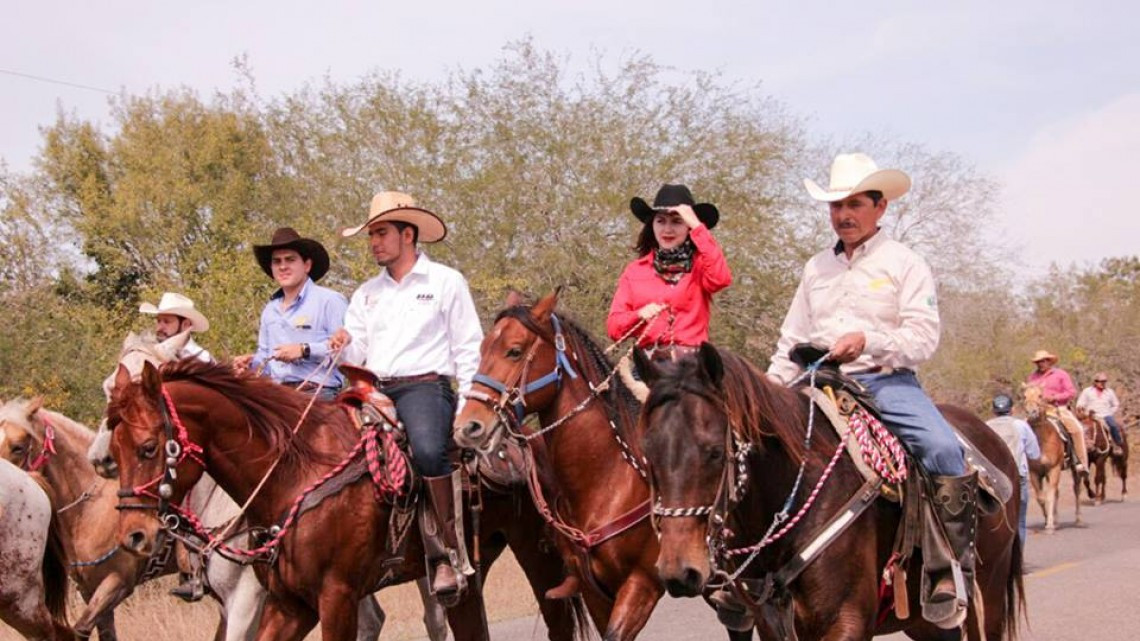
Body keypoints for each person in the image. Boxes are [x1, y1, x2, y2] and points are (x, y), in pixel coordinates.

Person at [766, 152, 972, 628]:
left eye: (854, 203)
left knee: (941, 448)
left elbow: (923, 337)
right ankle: (747, 572)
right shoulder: (816, 267)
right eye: (836, 205)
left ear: (880, 207)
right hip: (814, 382)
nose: (843, 214)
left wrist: (869, 341)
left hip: (884, 381)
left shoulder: (905, 263)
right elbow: (790, 338)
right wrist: (771, 389)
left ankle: (945, 568)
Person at [328, 191, 483, 601]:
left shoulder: (446, 281)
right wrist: (343, 343)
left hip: (425, 386)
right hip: (372, 388)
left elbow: (469, 346)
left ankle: (445, 553)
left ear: (408, 234)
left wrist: (466, 403)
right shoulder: (365, 294)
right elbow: (357, 353)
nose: (374, 242)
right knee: (327, 447)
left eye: (381, 233)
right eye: (371, 234)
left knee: (429, 450)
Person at [607, 183, 733, 355]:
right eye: (660, 221)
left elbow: (721, 279)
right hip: (648, 364)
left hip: (691, 363)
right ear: (652, 225)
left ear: (687, 226)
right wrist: (638, 315)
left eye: (677, 221)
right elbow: (614, 328)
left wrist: (697, 226)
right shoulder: (635, 270)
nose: (667, 229)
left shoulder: (701, 264)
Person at [233, 227, 348, 400]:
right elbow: (265, 361)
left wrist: (304, 350)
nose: (283, 266)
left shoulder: (330, 301)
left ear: (307, 265)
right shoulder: (270, 311)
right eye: (277, 261)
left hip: (318, 392)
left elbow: (345, 353)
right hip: (278, 395)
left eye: (290, 259)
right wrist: (250, 363)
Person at [985, 394, 1040, 548]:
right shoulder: (1021, 425)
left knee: (993, 520)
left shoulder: (986, 425)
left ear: (993, 410)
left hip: (992, 480)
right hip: (1017, 477)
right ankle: (1018, 559)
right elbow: (1034, 453)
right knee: (1019, 520)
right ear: (1013, 409)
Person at [1026, 350, 1089, 475]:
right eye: (1038, 362)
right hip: (1037, 410)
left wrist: (1054, 397)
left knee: (1077, 429)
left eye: (1044, 361)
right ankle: (1021, 462)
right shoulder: (1032, 377)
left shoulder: (1060, 374)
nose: (1041, 363)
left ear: (1049, 361)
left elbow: (1071, 392)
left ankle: (1080, 462)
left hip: (1058, 408)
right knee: (1020, 429)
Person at [138, 292, 213, 362]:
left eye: (167, 322)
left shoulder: (202, 359)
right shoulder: (148, 353)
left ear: (185, 325)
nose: (159, 328)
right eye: (158, 321)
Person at [1076, 371, 1125, 454]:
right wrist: (1083, 409)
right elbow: (1080, 403)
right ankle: (1076, 448)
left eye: (1104, 381)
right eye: (1100, 381)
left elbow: (1116, 404)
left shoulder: (1109, 392)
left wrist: (1110, 412)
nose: (1102, 383)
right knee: (1079, 428)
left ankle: (1117, 445)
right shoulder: (1087, 391)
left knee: (1113, 426)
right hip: (1090, 415)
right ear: (1095, 382)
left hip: (1105, 415)